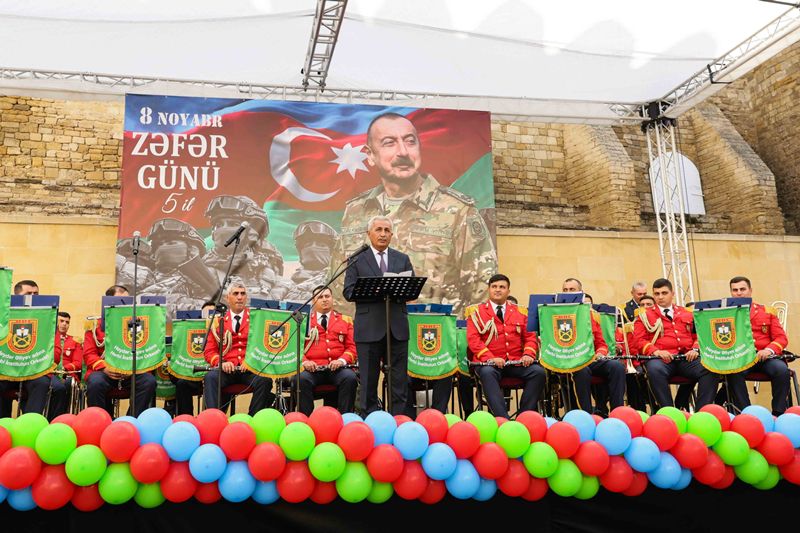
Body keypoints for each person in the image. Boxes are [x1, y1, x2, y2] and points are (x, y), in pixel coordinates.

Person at [334, 112, 497, 317]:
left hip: (433, 330)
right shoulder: (355, 211)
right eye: (389, 143)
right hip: (371, 329)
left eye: (410, 141)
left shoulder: (457, 210)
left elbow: (482, 287)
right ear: (370, 155)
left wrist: (464, 332)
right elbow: (338, 287)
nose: (403, 151)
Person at [343, 215, 414, 415]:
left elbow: (411, 290)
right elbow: (348, 291)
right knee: (368, 382)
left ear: (392, 234)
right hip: (369, 329)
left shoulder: (402, 259)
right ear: (369, 233)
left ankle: (399, 420)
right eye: (378, 230)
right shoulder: (357, 259)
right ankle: (370, 422)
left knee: (399, 382)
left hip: (397, 328)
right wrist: (375, 289)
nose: (383, 234)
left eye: (387, 230)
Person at [632, 278, 719, 409]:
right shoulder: (644, 316)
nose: (660, 297)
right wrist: (656, 351)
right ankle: (669, 411)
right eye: (657, 294)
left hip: (686, 358)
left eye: (664, 293)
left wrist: (695, 349)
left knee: (710, 368)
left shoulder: (687, 313)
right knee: (654, 370)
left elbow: (700, 335)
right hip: (661, 360)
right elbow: (639, 340)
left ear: (672, 294)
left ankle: (702, 411)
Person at [467, 274, 545, 418]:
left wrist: (528, 354)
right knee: (487, 373)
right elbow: (473, 340)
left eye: (502, 287)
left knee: (538, 372)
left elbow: (530, 337)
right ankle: (503, 419)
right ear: (489, 289)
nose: (498, 290)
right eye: (494, 287)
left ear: (508, 291)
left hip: (515, 362)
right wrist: (490, 358)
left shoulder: (521, 312)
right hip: (488, 364)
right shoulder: (476, 312)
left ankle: (523, 417)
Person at [83, 285, 157, 416]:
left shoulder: (137, 325)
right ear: (107, 302)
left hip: (131, 372)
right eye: (120, 301)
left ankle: (131, 421)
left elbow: (145, 353)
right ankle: (101, 420)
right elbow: (89, 354)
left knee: (148, 381)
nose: (124, 305)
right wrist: (105, 368)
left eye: (128, 301)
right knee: (95, 383)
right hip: (105, 372)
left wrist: (132, 368)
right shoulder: (94, 325)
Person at [203, 283, 274, 415]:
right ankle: (213, 417)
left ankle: (253, 419)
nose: (240, 297)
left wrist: (251, 361)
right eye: (236, 294)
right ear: (227, 298)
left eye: (243, 294)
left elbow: (264, 346)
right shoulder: (217, 321)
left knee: (265, 381)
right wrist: (221, 362)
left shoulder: (256, 319)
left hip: (249, 370)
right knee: (210, 377)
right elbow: (209, 351)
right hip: (226, 371)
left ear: (246, 297)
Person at [202, 195, 289, 301]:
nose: (223, 229)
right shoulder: (200, 275)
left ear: (253, 233)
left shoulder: (273, 278)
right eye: (219, 225)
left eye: (233, 223)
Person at [726, 276, 790, 415]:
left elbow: (781, 337)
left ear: (750, 290)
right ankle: (746, 413)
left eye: (742, 289)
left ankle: (778, 413)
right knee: (732, 372)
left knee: (782, 370)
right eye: (735, 290)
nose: (739, 293)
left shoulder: (767, 311)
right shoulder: (726, 314)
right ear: (731, 293)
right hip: (742, 358)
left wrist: (769, 350)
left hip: (766, 357)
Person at [560, 279, 625, 414]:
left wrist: (600, 353)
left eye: (572, 289)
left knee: (617, 366)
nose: (568, 293)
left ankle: (617, 412)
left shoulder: (592, 315)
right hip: (571, 361)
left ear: (581, 293)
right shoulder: (557, 314)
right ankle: (586, 414)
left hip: (592, 359)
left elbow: (601, 343)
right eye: (565, 290)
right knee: (582, 371)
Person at [298, 286, 358, 416]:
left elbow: (352, 347)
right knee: (301, 379)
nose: (324, 299)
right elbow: (295, 348)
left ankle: (345, 418)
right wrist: (305, 362)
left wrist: (341, 361)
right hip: (313, 370)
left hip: (337, 369)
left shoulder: (345, 320)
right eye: (320, 297)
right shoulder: (304, 321)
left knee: (350, 377)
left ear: (332, 299)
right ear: (313, 301)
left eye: (327, 296)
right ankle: (305, 420)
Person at [142, 218, 216, 316]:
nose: (163, 247)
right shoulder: (145, 278)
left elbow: (211, 309)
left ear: (193, 249)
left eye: (171, 242)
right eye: (159, 245)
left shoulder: (208, 278)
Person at [284, 221, 339, 302]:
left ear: (332, 252)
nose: (313, 248)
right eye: (308, 245)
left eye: (321, 245)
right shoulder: (286, 282)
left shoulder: (337, 279)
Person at [51, 311, 82, 417]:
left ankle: (63, 417)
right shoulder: (49, 339)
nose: (64, 324)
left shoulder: (75, 341)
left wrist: (64, 369)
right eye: (61, 321)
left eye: (67, 322)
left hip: (67, 374)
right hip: (50, 373)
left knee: (68, 384)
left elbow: (78, 363)